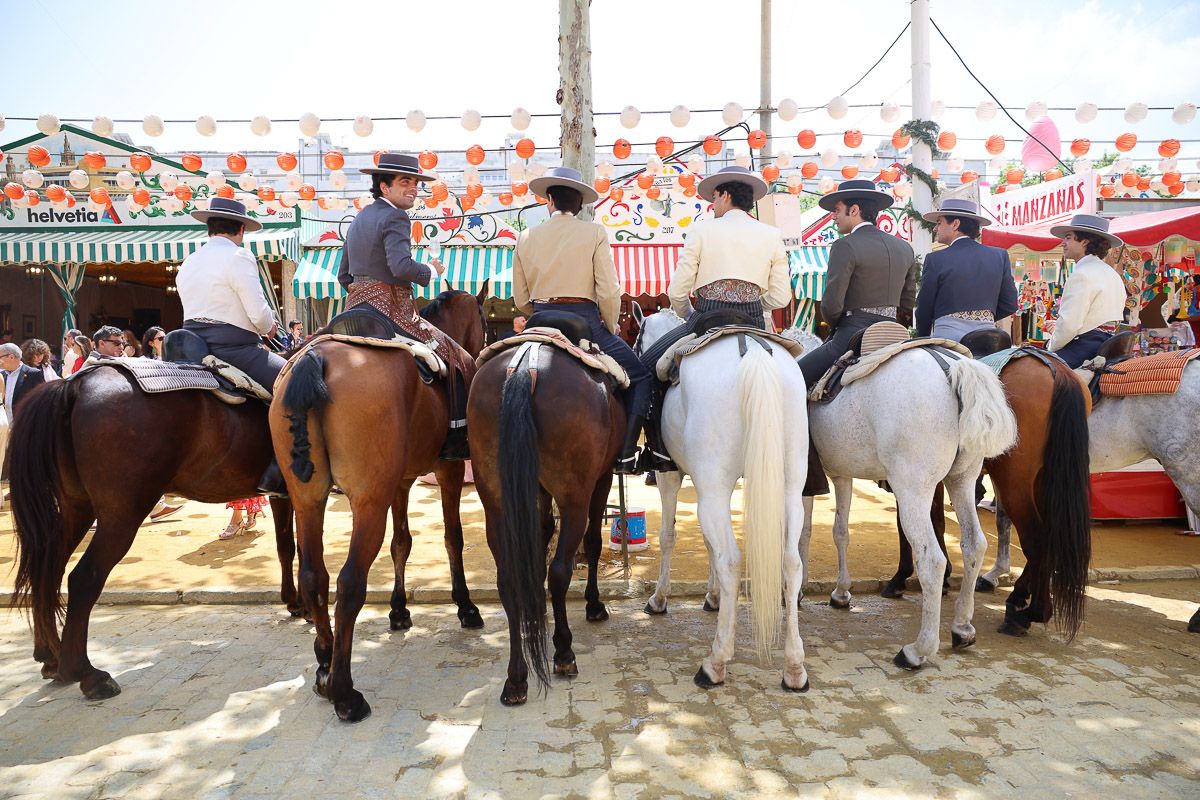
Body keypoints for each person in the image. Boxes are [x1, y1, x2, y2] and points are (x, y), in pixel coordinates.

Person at [512, 166, 652, 474]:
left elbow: (520, 299)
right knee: (641, 377)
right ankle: (627, 454)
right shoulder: (594, 233)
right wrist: (611, 324)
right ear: (580, 205)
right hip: (584, 323)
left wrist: (538, 312)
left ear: (549, 201)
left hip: (540, 319)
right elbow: (609, 291)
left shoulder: (525, 237)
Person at [338, 151, 474, 460]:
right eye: (404, 182)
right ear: (384, 187)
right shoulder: (396, 216)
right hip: (392, 311)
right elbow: (400, 267)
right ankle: (456, 439)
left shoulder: (359, 217)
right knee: (461, 360)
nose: (413, 188)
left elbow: (343, 275)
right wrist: (430, 271)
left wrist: (364, 292)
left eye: (415, 182)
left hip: (352, 310)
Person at [175, 196, 287, 495]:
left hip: (191, 346)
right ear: (241, 229)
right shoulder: (239, 256)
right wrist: (270, 326)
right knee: (297, 381)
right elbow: (258, 314)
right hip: (234, 348)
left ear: (210, 227)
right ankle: (281, 468)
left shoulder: (190, 260)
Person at [797, 179, 918, 387]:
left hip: (853, 334)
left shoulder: (845, 245)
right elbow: (908, 302)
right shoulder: (904, 247)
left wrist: (837, 326)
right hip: (893, 335)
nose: (833, 216)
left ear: (854, 210)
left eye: (837, 210)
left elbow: (831, 305)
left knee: (793, 377)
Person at [668, 165, 792, 325]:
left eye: (714, 198)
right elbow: (781, 297)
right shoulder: (773, 234)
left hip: (707, 318)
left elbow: (676, 292)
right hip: (752, 320)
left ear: (725, 195)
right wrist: (752, 304)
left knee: (661, 343)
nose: (713, 205)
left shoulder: (700, 229)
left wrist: (688, 315)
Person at [915, 199, 1018, 342]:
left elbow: (924, 309)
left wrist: (922, 339)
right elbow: (1010, 304)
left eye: (939, 223)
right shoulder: (999, 256)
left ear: (955, 224)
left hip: (948, 340)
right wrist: (983, 318)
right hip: (987, 340)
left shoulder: (936, 259)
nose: (935, 229)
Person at [1045, 214, 1127, 367]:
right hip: (1109, 344)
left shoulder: (1082, 274)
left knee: (1037, 369)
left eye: (1068, 238)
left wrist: (1050, 346)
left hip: (1086, 347)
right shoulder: (1112, 273)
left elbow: (1069, 325)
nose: (1063, 243)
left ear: (1085, 242)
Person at [2, 342, 46, 424]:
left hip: (24, 425)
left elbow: (42, 401)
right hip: (4, 426)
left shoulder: (33, 374)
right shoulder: (1, 376)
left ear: (11, 357)